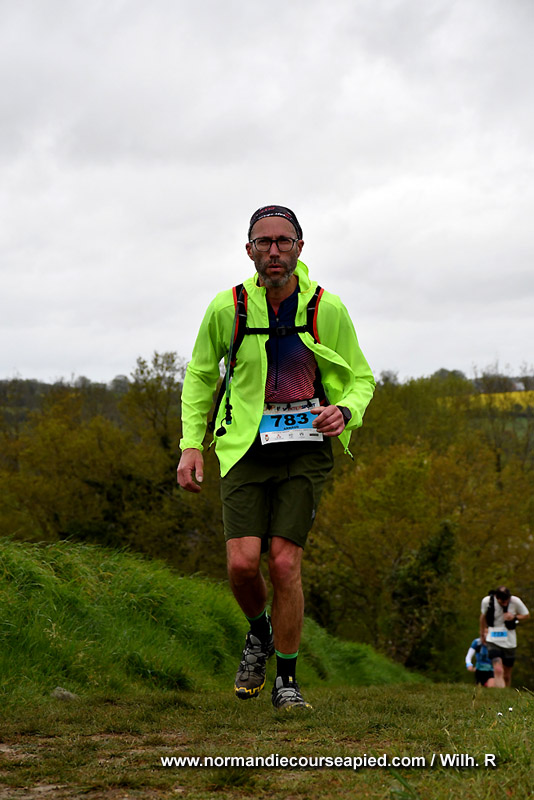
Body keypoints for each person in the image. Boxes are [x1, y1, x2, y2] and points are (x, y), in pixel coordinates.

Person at [177, 205, 375, 710]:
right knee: (243, 565)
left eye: (283, 241)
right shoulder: (229, 308)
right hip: (244, 447)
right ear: (249, 251)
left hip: (306, 448)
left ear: (299, 248)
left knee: (285, 563)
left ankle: (287, 682)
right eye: (263, 242)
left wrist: (345, 411)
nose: (273, 251)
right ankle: (260, 633)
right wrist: (191, 444)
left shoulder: (326, 308)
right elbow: (200, 375)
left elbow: (361, 378)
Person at [480, 586, 529, 688]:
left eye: (507, 601)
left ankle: (506, 692)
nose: (505, 604)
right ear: (496, 598)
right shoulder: (487, 601)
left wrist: (514, 617)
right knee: (498, 669)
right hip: (493, 639)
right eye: (502, 602)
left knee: (506, 675)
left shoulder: (515, 601)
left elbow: (526, 615)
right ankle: (499, 693)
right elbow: (482, 617)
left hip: (509, 641)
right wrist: (482, 633)